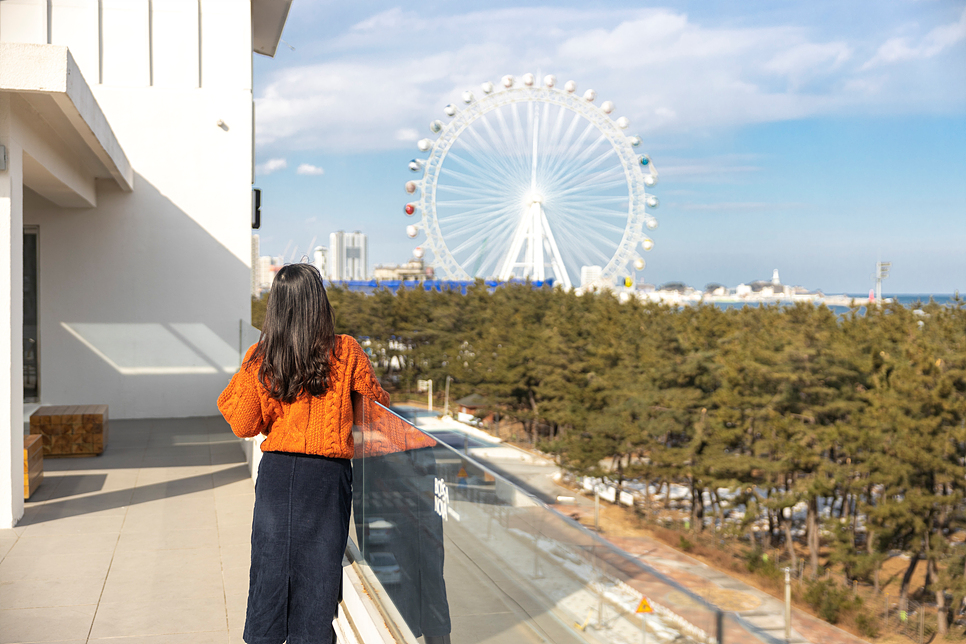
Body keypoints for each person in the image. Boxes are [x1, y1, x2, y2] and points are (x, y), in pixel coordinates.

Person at [218, 263, 389, 644]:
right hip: (327, 478)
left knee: (269, 566)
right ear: (319, 301)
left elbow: (242, 422)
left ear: (276, 306)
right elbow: (376, 413)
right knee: (319, 572)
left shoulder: (262, 354)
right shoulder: (346, 350)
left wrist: (247, 369)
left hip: (279, 474)